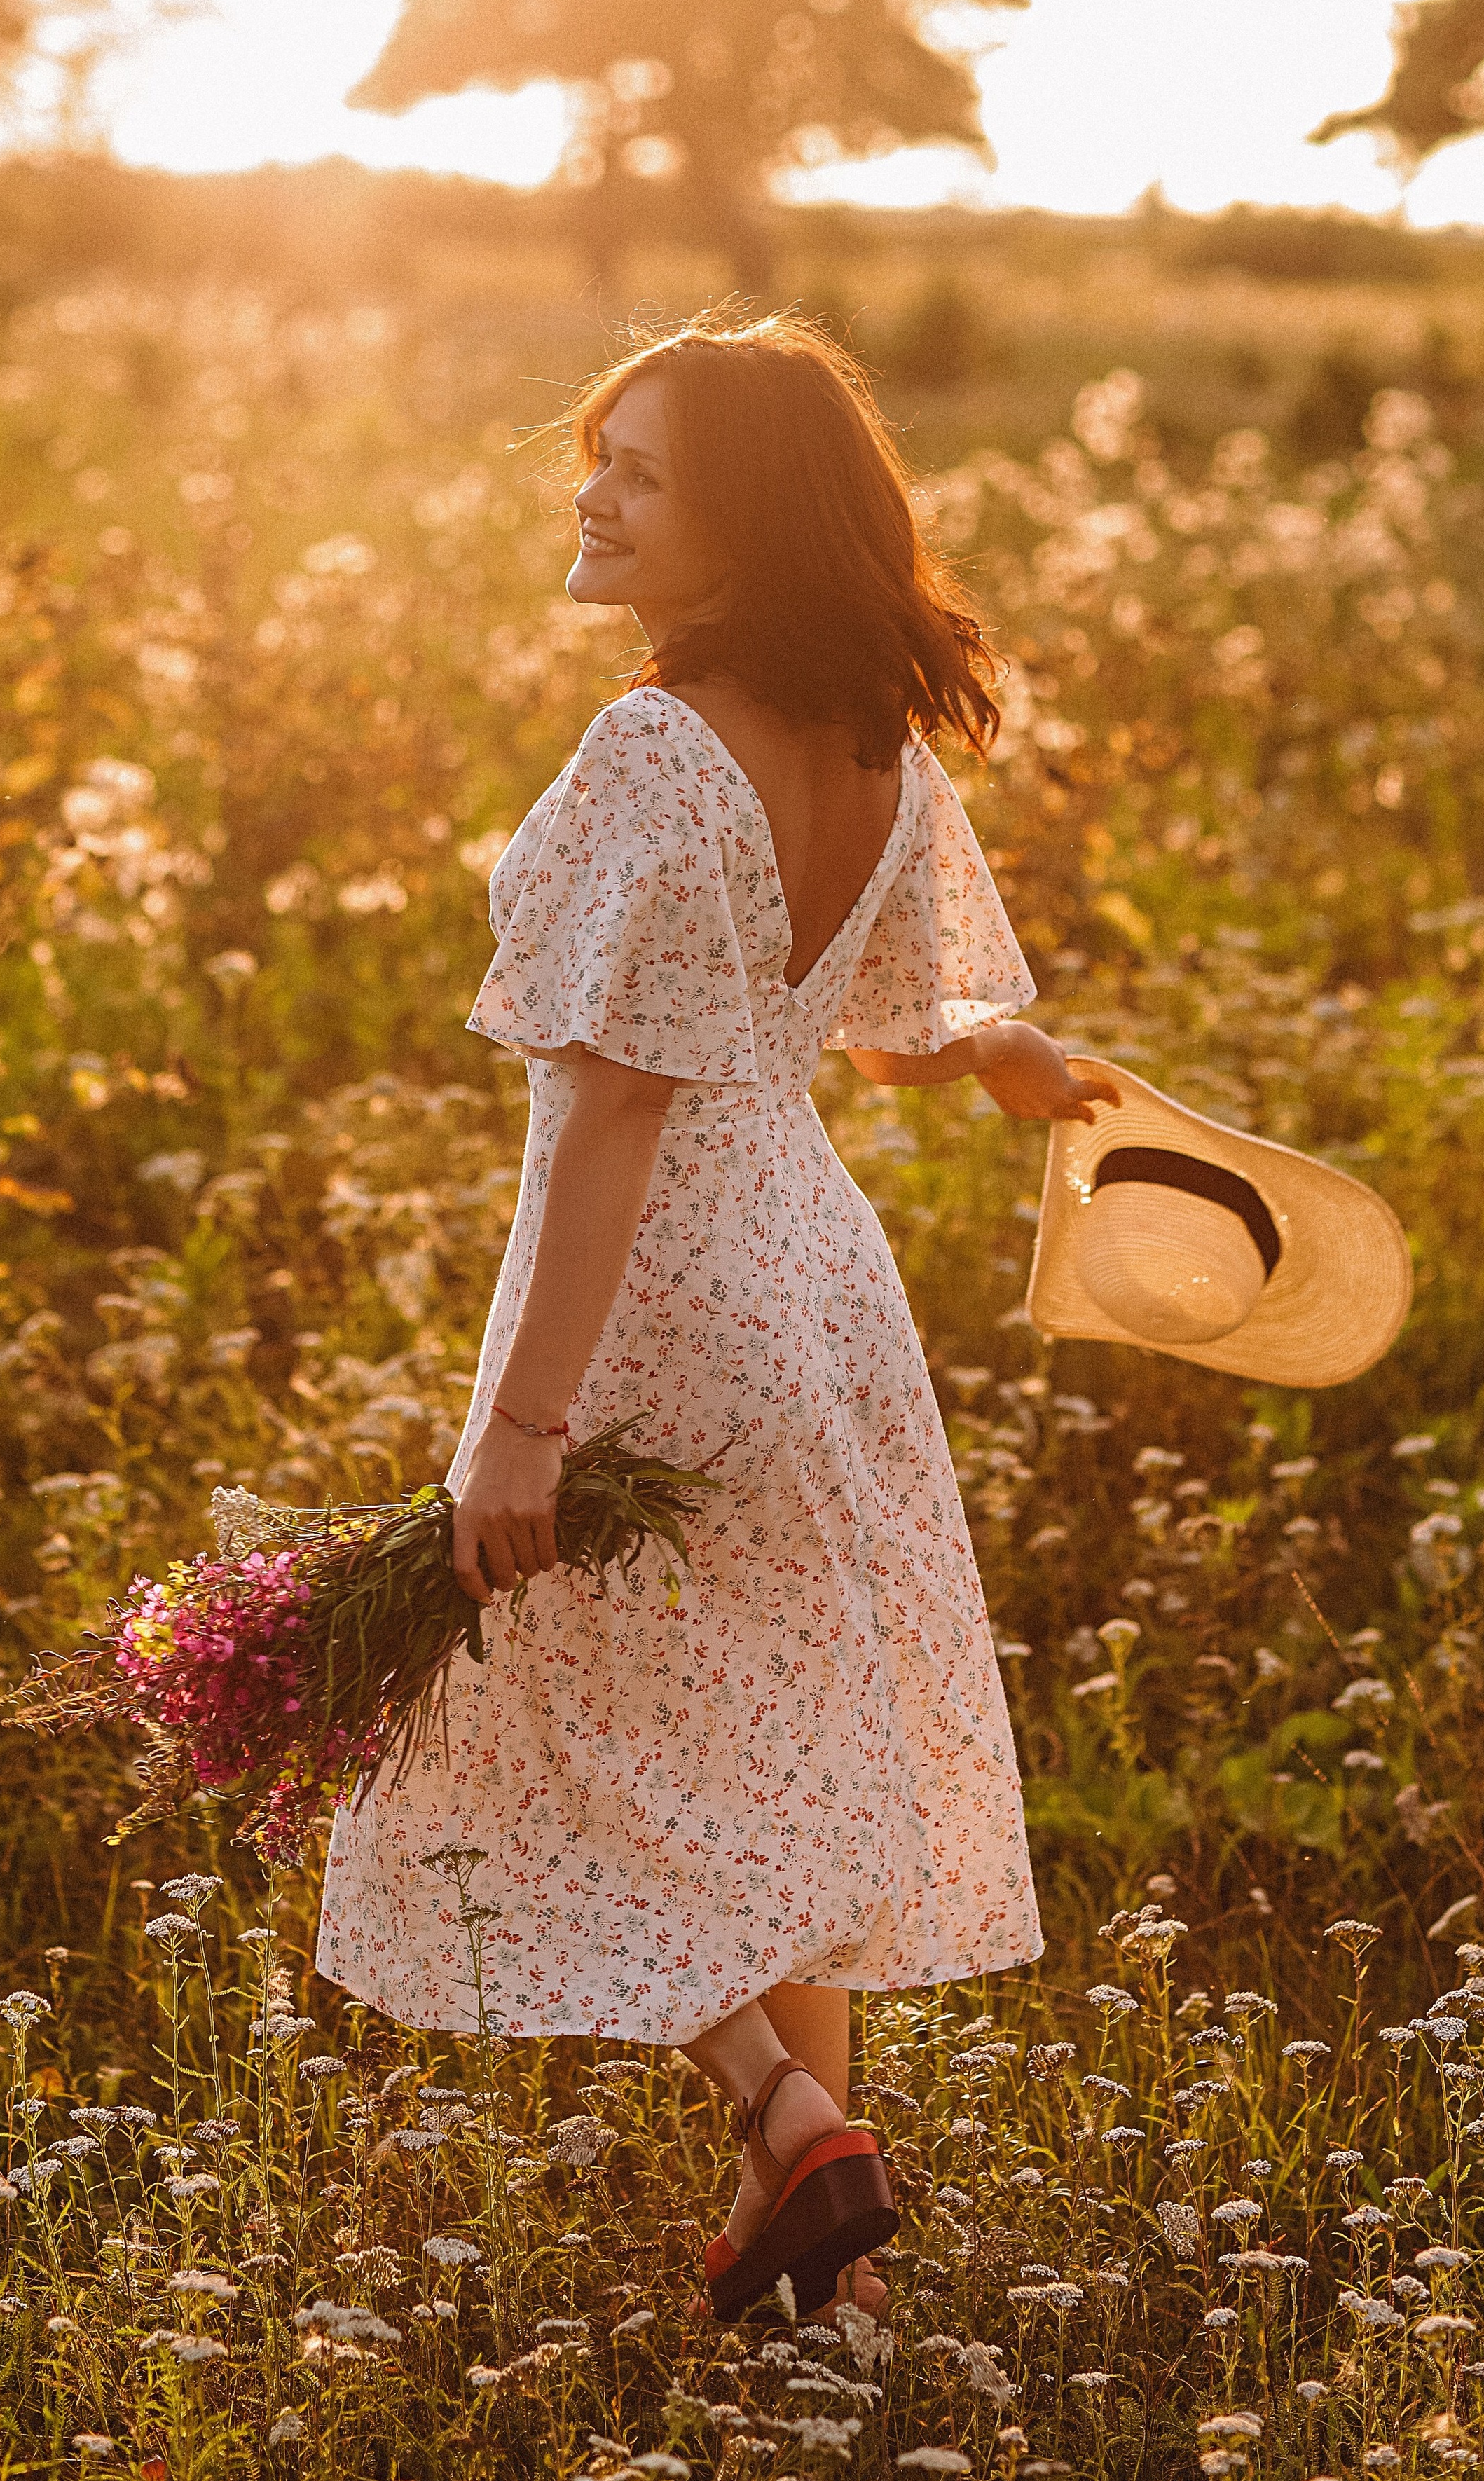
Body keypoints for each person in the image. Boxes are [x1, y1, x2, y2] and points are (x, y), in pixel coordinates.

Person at [317, 311, 1118, 2324]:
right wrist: (1006, 1054)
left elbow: (610, 1107)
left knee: (567, 1740)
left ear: (747, 520)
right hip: (818, 1293)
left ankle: (785, 2114)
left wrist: (524, 1426)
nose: (592, 491)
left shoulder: (654, 748)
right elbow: (884, 1015)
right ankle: (819, 2295)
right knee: (760, 1752)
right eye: (596, 453)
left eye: (643, 470)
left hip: (663, 1288)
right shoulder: (869, 738)